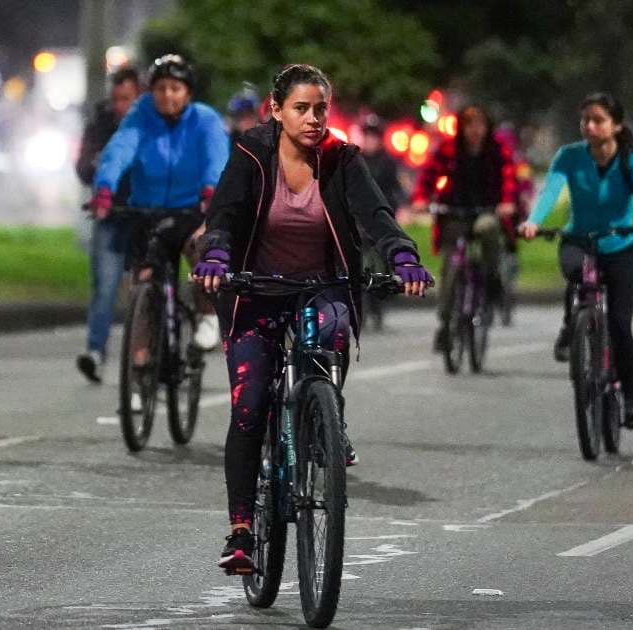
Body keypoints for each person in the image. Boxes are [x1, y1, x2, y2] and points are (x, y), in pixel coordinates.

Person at [189, 64, 432, 573]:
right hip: (256, 292)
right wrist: (215, 256)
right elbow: (225, 217)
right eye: (301, 108)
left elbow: (376, 216)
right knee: (250, 404)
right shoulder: (252, 155)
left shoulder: (343, 160)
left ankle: (325, 415)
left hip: (321, 289)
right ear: (276, 111)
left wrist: (402, 257)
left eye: (321, 107)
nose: (314, 118)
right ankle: (240, 532)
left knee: (329, 333)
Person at [519, 92, 633, 430]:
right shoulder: (569, 157)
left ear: (616, 125)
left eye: (598, 120)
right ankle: (573, 324)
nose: (590, 127)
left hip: (620, 246)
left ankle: (631, 401)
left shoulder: (632, 160)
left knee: (620, 326)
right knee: (576, 272)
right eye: (585, 120)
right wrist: (534, 221)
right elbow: (549, 192)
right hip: (578, 240)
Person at [88, 55, 229, 384]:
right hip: (147, 211)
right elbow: (120, 149)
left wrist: (211, 190)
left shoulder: (205, 120)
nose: (167, 95)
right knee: (144, 284)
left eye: (175, 88)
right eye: (161, 89)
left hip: (192, 209)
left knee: (199, 248)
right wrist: (105, 187)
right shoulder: (141, 116)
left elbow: (216, 157)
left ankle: (208, 317)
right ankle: (139, 366)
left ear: (188, 93)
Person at [410, 105, 517, 351]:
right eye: (469, 125)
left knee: (488, 228)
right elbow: (427, 175)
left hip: (487, 211)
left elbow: (510, 180)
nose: (474, 131)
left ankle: (492, 278)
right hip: (454, 213)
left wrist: (506, 203)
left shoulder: (498, 150)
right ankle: (446, 323)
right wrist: (420, 199)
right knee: (450, 268)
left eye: (479, 124)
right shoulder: (448, 149)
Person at [74, 67, 142, 383]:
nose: (120, 106)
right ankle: (96, 351)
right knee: (105, 287)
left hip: (146, 215)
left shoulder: (153, 123)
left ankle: (148, 354)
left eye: (126, 99)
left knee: (148, 286)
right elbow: (84, 165)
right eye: (116, 99)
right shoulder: (101, 124)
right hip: (111, 214)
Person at [359, 120, 408, 330]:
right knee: (359, 262)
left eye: (373, 136)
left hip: (381, 219)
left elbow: (396, 188)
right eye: (367, 135)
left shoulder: (388, 162)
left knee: (380, 262)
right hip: (359, 218)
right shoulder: (356, 160)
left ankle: (378, 303)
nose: (370, 140)